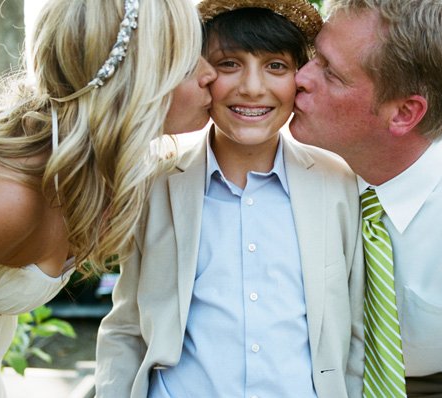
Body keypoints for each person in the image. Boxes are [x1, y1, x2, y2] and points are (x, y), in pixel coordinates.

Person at [0, 0, 217, 396]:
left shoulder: (102, 167)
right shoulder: (9, 195)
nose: (211, 74)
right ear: (136, 79)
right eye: (187, 64)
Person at [95, 0, 365, 397]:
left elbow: (354, 333)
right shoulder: (156, 183)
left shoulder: (338, 182)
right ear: (202, 75)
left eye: (275, 66)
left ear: (300, 78)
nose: (253, 88)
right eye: (229, 64)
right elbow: (127, 325)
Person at [289, 0, 442, 396]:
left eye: (331, 73)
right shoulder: (285, 159)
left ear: (403, 113)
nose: (300, 77)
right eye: (314, 56)